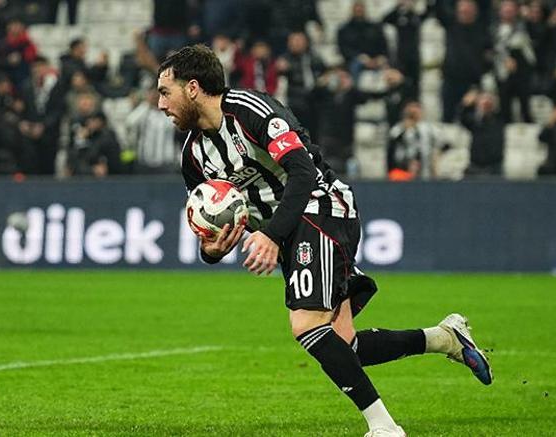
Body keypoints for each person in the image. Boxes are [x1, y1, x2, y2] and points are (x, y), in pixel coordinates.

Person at [156, 44, 492, 437]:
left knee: (306, 324)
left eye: (165, 92)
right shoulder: (193, 157)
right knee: (342, 345)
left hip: (322, 207)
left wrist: (270, 234)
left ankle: (385, 428)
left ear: (193, 88)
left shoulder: (252, 111)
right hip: (290, 232)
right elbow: (209, 227)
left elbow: (302, 172)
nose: (161, 104)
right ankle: (445, 338)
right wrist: (210, 251)